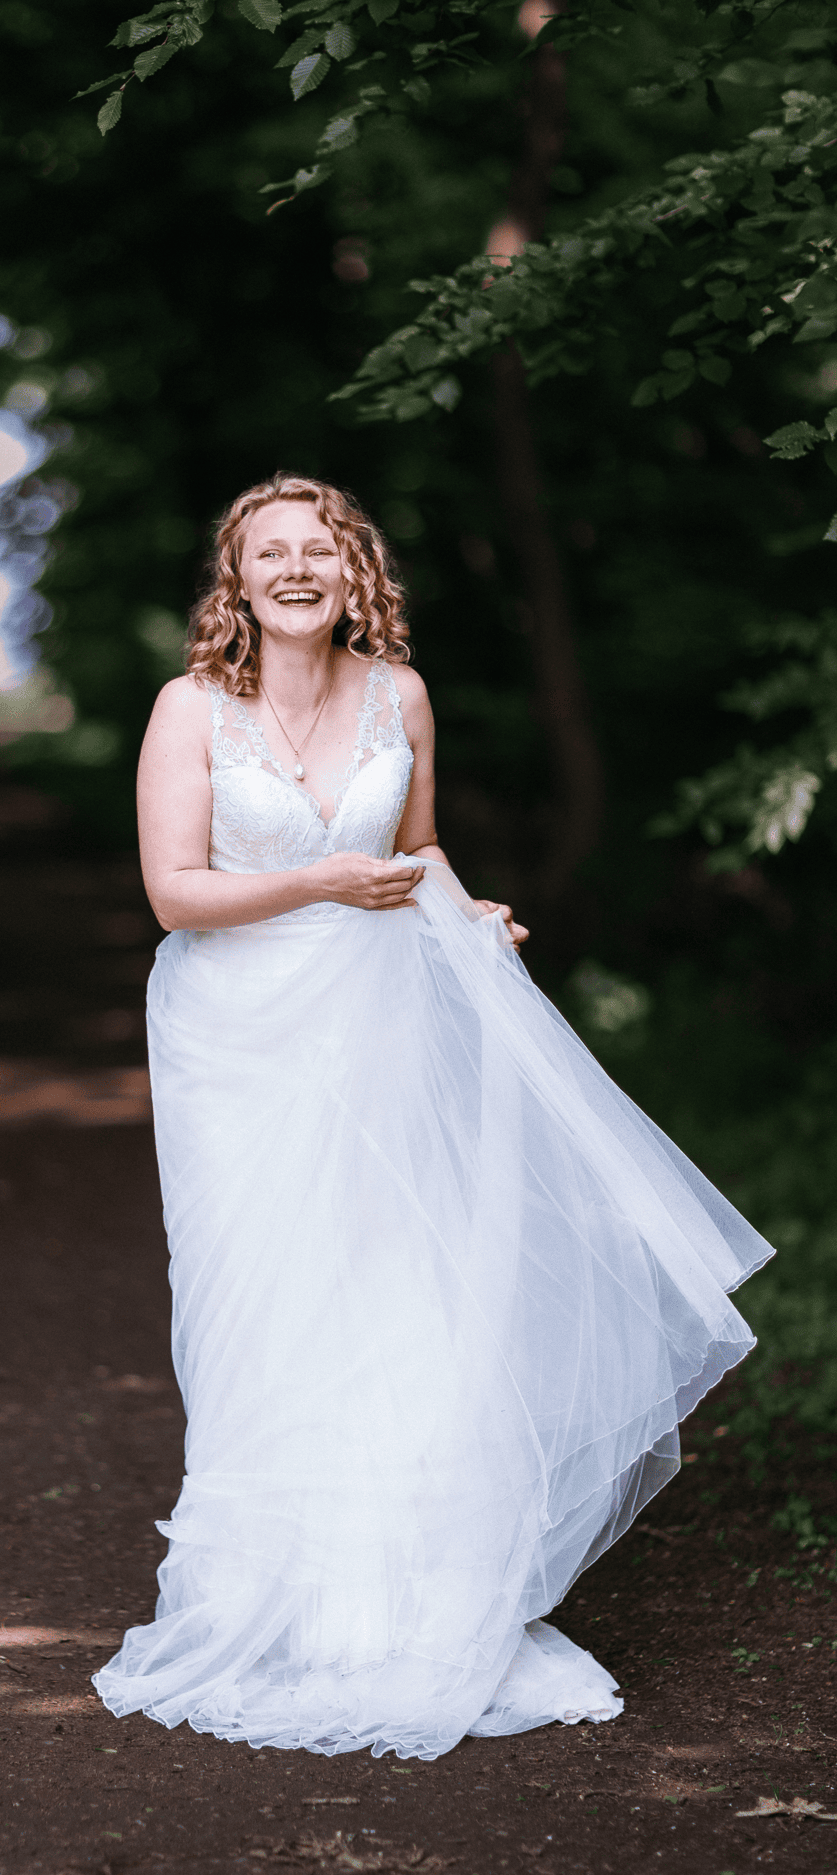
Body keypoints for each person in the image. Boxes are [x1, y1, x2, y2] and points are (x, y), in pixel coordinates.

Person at [92, 472, 771, 1760]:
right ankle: (275, 1605)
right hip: (242, 1043)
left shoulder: (399, 694)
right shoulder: (189, 710)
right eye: (268, 553)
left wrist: (470, 918)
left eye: (320, 551)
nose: (296, 570)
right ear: (234, 581)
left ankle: (409, 1609)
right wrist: (320, 881)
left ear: (357, 574)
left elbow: (422, 850)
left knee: (404, 1288)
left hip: (392, 1024)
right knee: (278, 1294)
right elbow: (176, 895)